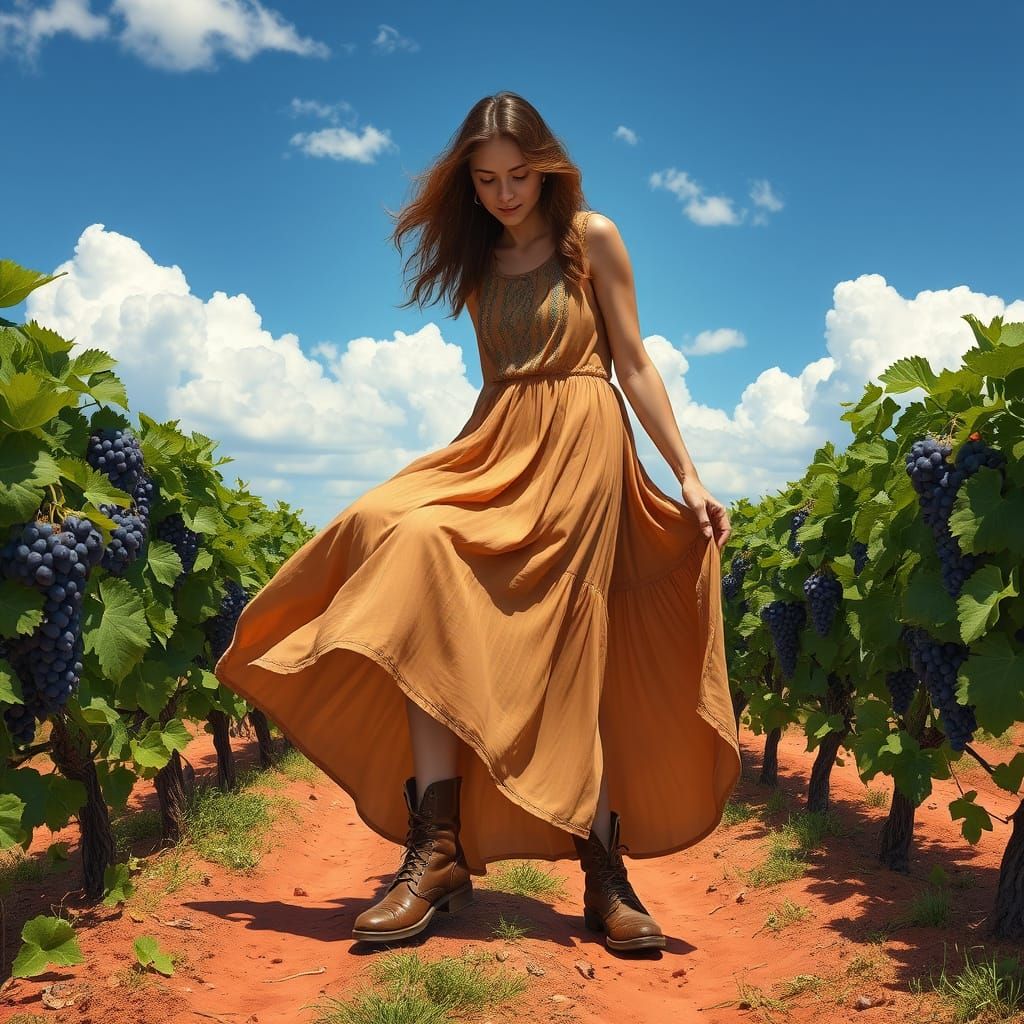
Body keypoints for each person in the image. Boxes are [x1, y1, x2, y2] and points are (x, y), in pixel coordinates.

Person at [215, 91, 741, 955]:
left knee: (579, 647)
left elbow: (635, 360)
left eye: (519, 176)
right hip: (498, 439)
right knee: (405, 538)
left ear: (548, 165)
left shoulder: (591, 239)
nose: (505, 194)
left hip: (582, 443)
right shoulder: (477, 261)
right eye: (487, 180)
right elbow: (501, 380)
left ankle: (604, 873)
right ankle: (438, 849)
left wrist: (686, 473)